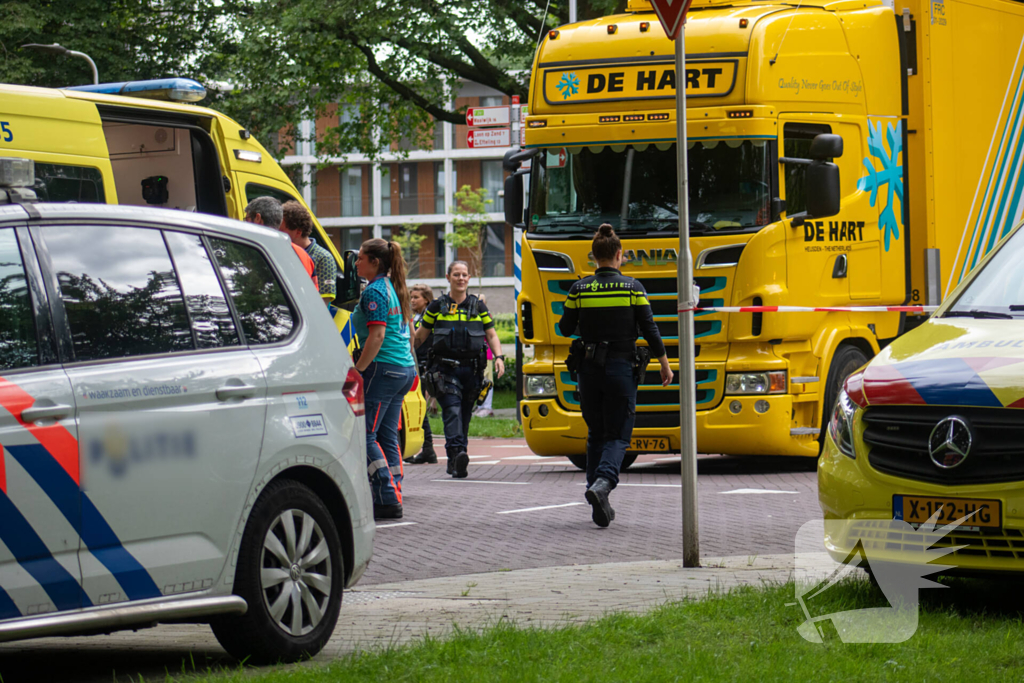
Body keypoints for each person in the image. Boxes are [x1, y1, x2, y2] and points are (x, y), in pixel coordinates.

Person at [557, 224, 673, 528]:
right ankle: (603, 483)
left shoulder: (578, 289)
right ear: (619, 255)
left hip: (588, 371)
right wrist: (664, 363)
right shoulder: (633, 288)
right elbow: (650, 329)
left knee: (596, 432)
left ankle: (595, 492)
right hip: (621, 369)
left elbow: (565, 329)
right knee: (619, 434)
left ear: (594, 256)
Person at [414, 261, 504, 479]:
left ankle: (457, 460)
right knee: (452, 411)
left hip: (472, 371)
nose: (461, 278)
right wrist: (406, 355)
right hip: (444, 370)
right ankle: (457, 454)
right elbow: (420, 336)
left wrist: (499, 358)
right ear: (448, 277)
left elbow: (491, 334)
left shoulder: (479, 306)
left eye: (464, 274)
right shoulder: (436, 306)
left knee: (464, 414)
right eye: (456, 274)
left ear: (469, 278)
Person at [351, 238, 417, 520]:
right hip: (403, 369)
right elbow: (410, 335)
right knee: (387, 434)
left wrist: (359, 370)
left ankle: (387, 495)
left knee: (363, 435)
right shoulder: (395, 289)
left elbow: (377, 336)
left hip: (383, 369)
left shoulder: (375, 291)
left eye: (360, 258)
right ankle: (393, 493)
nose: (356, 263)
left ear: (374, 262)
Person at [244, 196, 317, 289]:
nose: (245, 223)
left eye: (246, 219)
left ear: (258, 218)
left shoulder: (251, 249)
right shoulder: (304, 255)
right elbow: (312, 294)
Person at [281, 200, 336, 306]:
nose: (277, 233)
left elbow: (322, 304)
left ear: (298, 232)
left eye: (282, 230)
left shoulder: (323, 258)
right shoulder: (282, 251)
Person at [406, 283, 437, 464]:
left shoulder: (429, 318)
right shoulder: (415, 316)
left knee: (418, 409)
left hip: (424, 366)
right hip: (415, 365)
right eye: (410, 297)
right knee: (417, 409)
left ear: (426, 299)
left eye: (416, 297)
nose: (412, 301)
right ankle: (426, 448)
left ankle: (427, 448)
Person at [473, 293, 495, 418]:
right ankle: (480, 406)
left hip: (486, 354)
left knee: (487, 381)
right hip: (477, 354)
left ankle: (487, 407)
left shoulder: (486, 316)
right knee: (478, 381)